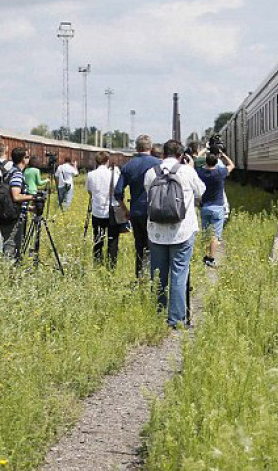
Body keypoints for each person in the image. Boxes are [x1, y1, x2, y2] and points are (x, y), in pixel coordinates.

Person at [143, 140, 205, 329]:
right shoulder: (187, 171)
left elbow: (148, 192)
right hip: (182, 231)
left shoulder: (151, 172)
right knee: (179, 273)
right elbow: (201, 191)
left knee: (158, 273)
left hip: (156, 231)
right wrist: (191, 167)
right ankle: (176, 319)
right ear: (181, 155)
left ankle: (158, 313)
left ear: (163, 154)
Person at [115, 134, 163, 278]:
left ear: (136, 148)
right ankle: (154, 277)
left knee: (139, 246)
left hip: (136, 212)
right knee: (155, 245)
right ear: (150, 147)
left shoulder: (129, 166)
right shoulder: (159, 164)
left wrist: (125, 209)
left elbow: (118, 192)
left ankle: (140, 276)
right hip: (155, 211)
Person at [195, 150, 235, 267]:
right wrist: (223, 155)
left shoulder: (200, 172)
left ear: (206, 161)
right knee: (215, 235)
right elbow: (232, 165)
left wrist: (202, 153)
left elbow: (195, 161)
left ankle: (205, 255)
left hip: (205, 207)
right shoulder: (220, 172)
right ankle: (211, 258)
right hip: (217, 207)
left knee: (206, 233)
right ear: (216, 162)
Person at [84, 151, 122, 269]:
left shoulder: (91, 175)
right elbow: (118, 192)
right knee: (113, 241)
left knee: (98, 240)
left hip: (97, 212)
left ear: (96, 161)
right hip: (111, 212)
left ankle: (97, 263)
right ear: (107, 161)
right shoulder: (114, 175)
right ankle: (111, 266)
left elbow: (89, 191)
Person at [0, 148, 35, 259]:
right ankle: (10, 267)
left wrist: (28, 208)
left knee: (11, 245)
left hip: (9, 213)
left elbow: (10, 197)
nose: (29, 159)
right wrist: (33, 197)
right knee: (12, 247)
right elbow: (15, 196)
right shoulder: (17, 174)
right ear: (23, 159)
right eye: (27, 157)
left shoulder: (10, 171)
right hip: (14, 217)